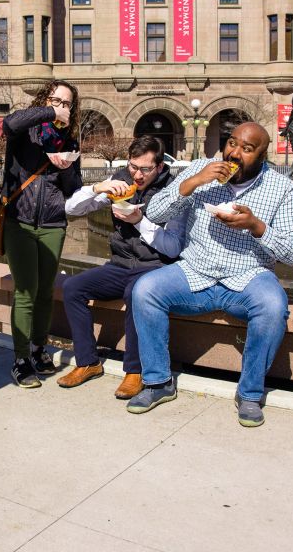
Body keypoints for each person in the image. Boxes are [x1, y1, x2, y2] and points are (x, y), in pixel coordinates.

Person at [127, 123, 293, 427]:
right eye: (232, 143)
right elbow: (154, 213)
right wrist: (194, 182)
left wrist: (256, 227)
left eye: (247, 149)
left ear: (263, 156)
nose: (234, 152)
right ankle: (158, 383)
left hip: (249, 276)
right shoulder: (199, 168)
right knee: (145, 290)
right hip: (195, 270)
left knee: (273, 306)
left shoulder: (282, 188)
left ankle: (249, 394)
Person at [59, 135, 186, 399]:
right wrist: (98, 188)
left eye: (145, 169)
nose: (137, 175)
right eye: (132, 166)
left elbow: (173, 248)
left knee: (135, 294)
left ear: (160, 167)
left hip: (155, 267)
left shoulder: (175, 192)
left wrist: (139, 221)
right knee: (72, 287)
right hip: (120, 264)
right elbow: (71, 208)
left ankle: (135, 371)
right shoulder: (122, 179)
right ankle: (88, 362)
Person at [1, 80, 83, 388]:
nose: (62, 107)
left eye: (67, 103)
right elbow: (10, 124)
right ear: (44, 100)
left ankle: (38, 348)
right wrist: (48, 112)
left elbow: (73, 188)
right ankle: (20, 359)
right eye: (55, 100)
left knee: (45, 291)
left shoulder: (69, 139)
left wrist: (64, 167)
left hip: (52, 223)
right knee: (26, 290)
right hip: (19, 220)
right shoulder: (28, 129)